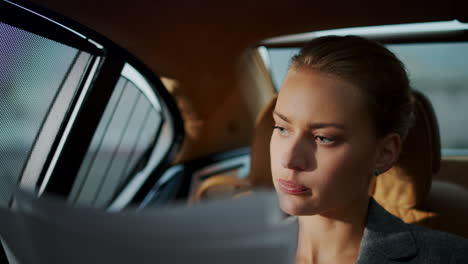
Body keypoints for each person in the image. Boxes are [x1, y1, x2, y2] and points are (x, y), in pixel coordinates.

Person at [269, 35, 468, 264]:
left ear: (383, 154)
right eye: (282, 128)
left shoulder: (452, 258)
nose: (289, 158)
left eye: (323, 138)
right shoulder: (227, 249)